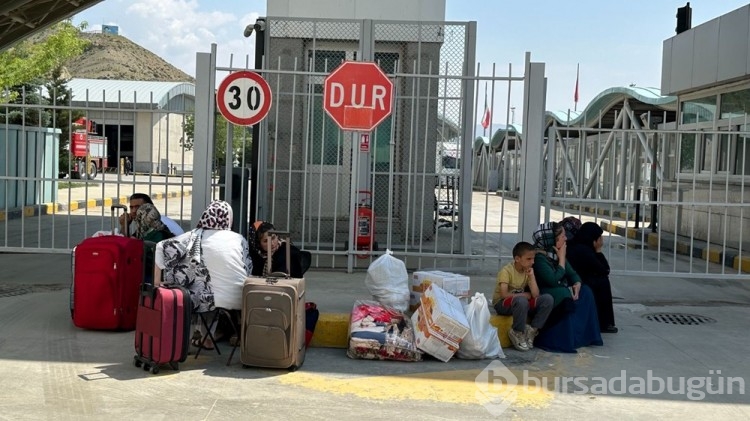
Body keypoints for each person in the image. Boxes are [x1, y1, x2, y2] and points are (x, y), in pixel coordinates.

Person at [154, 200, 252, 350]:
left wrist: (157, 284)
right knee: (208, 287)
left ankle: (199, 337)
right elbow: (248, 269)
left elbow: (162, 247)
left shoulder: (194, 236)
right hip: (240, 298)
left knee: (198, 284)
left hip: (206, 300)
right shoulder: (239, 239)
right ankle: (207, 337)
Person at [531, 222, 603, 353]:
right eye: (562, 236)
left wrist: (577, 283)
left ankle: (583, 337)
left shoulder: (555, 252)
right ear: (552, 239)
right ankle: (561, 340)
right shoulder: (540, 258)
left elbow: (573, 274)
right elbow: (553, 280)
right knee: (564, 293)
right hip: (546, 292)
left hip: (559, 288)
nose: (566, 238)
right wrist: (562, 259)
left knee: (586, 291)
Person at [493, 241, 553, 351]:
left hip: (520, 303)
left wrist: (532, 277)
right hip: (502, 304)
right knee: (521, 300)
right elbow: (504, 294)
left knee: (547, 299)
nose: (532, 262)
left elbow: (535, 294)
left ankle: (532, 330)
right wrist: (524, 294)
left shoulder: (527, 271)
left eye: (533, 259)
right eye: (529, 259)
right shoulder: (506, 271)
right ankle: (517, 331)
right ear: (517, 259)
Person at [567, 222, 618, 333]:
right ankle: (604, 323)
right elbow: (605, 270)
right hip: (579, 282)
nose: (601, 240)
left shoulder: (574, 244)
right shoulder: (585, 251)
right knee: (603, 282)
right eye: (599, 237)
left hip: (574, 280)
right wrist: (598, 251)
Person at [119, 193, 184, 237]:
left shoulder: (155, 223)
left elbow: (126, 245)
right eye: (131, 207)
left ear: (149, 207)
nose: (133, 211)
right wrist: (125, 225)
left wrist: (125, 225)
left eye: (138, 207)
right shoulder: (147, 222)